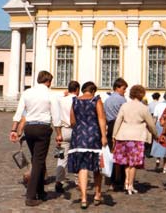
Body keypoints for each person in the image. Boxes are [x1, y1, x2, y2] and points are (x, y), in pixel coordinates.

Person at [9, 70, 59, 207]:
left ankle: (41, 191)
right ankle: (30, 196)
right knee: (38, 160)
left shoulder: (27, 93)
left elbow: (19, 113)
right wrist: (58, 133)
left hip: (29, 128)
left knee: (37, 158)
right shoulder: (50, 94)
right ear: (48, 81)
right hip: (43, 128)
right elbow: (56, 116)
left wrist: (14, 130)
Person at [67, 81, 107, 209]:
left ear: (83, 90)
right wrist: (104, 135)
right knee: (96, 167)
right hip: (93, 135)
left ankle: (84, 198)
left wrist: (79, 127)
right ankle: (97, 194)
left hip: (79, 136)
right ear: (93, 91)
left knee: (82, 167)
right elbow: (101, 118)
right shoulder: (96, 100)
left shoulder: (75, 101)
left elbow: (72, 121)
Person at [112, 85, 156, 195]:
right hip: (137, 136)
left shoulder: (124, 105)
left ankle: (127, 182)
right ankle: (130, 185)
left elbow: (118, 120)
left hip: (123, 135)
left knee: (126, 162)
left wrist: (114, 135)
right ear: (142, 94)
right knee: (133, 163)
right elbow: (151, 124)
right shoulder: (143, 108)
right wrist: (156, 135)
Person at [53, 80, 80, 193]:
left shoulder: (61, 100)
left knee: (61, 157)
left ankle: (59, 181)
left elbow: (53, 100)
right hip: (76, 130)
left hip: (63, 131)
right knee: (78, 155)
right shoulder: (78, 100)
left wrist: (57, 133)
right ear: (77, 89)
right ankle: (79, 181)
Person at [103, 78, 127, 189]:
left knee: (111, 153)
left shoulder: (107, 100)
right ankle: (120, 179)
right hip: (120, 126)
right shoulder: (122, 100)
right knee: (121, 154)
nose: (124, 91)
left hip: (110, 125)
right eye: (123, 89)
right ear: (117, 87)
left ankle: (111, 179)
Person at [150, 91, 166, 172]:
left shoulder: (158, 105)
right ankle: (165, 167)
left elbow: (155, 117)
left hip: (159, 124)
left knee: (158, 143)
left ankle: (157, 160)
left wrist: (153, 128)